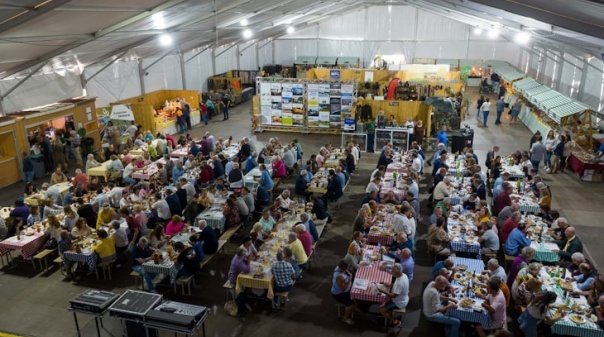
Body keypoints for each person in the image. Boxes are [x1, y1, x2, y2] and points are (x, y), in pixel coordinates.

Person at [331, 260, 357, 325]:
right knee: (352, 304)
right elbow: (343, 289)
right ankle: (345, 318)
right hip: (340, 294)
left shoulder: (339, 267)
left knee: (356, 297)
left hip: (347, 290)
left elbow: (345, 271)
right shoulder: (339, 277)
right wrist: (349, 280)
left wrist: (347, 273)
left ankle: (354, 308)